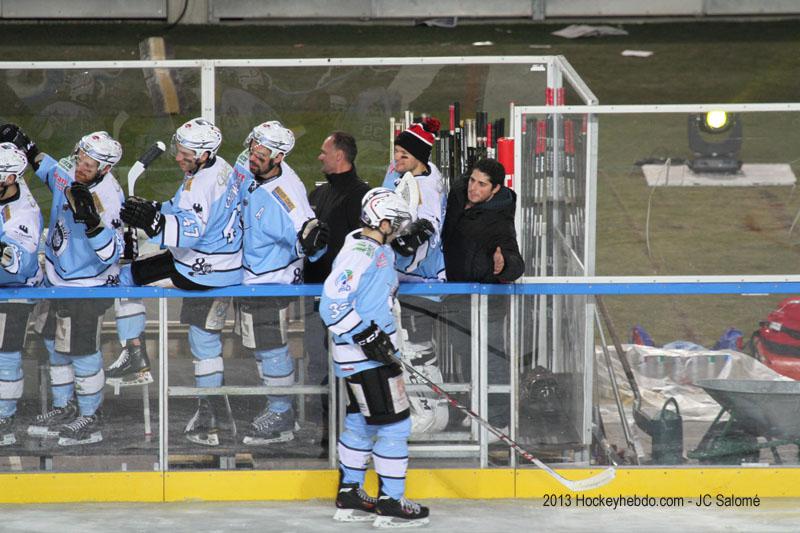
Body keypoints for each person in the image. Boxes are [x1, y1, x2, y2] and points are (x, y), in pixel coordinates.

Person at [119, 117, 242, 446]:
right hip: (226, 266)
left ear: (203, 154)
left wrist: (153, 221)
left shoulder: (198, 184)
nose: (178, 157)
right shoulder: (220, 168)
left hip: (198, 269)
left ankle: (134, 354)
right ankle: (211, 415)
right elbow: (184, 211)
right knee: (204, 339)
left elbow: (189, 231)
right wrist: (155, 210)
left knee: (126, 276)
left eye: (186, 153)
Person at [2, 125, 125, 446]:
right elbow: (51, 171)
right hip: (56, 278)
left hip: (87, 286)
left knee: (82, 351)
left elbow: (112, 253)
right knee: (54, 346)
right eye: (81, 156)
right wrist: (28, 148)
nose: (81, 165)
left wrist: (94, 223)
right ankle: (64, 406)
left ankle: (89, 415)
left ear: (106, 168)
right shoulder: (72, 170)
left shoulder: (108, 198)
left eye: (90, 163)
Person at [320, 188, 430, 527]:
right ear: (381, 222)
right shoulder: (360, 253)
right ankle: (392, 502)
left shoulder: (371, 246)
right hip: (367, 356)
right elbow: (331, 305)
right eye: (394, 225)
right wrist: (366, 335)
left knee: (360, 420)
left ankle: (350, 493)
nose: (398, 231)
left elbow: (381, 274)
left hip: (367, 355)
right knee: (396, 425)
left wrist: (412, 245)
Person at [234, 120, 328, 445]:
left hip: (273, 284)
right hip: (253, 280)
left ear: (279, 158)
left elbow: (309, 235)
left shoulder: (286, 194)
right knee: (262, 349)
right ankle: (278, 409)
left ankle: (282, 412)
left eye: (262, 153)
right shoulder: (254, 173)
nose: (254, 156)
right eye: (253, 149)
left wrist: (314, 239)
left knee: (272, 348)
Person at [441, 158, 524, 431]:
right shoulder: (457, 193)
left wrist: (504, 265)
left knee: (491, 359)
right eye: (473, 180)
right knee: (465, 356)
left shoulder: (499, 220)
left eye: (482, 184)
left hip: (486, 304)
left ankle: (499, 422)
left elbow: (516, 261)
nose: (474, 188)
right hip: (456, 299)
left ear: (496, 189)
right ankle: (475, 410)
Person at [382, 118, 448, 435]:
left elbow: (426, 234)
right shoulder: (407, 174)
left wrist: (404, 244)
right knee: (418, 351)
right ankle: (437, 414)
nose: (396, 160)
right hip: (405, 283)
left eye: (403, 155)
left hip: (419, 283)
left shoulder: (425, 188)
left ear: (420, 158)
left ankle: (425, 415)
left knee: (414, 352)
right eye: (395, 153)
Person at [304, 131, 370, 438]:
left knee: (349, 366)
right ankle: (327, 431)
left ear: (339, 156)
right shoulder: (317, 196)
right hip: (313, 298)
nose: (319, 156)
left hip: (347, 305)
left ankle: (353, 430)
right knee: (319, 364)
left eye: (323, 151)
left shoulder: (362, 197)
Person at [0, 141, 44, 446]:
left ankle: (5, 417)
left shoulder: (25, 213)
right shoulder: (6, 188)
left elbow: (18, 265)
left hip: (14, 293)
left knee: (6, 356)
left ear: (11, 178)